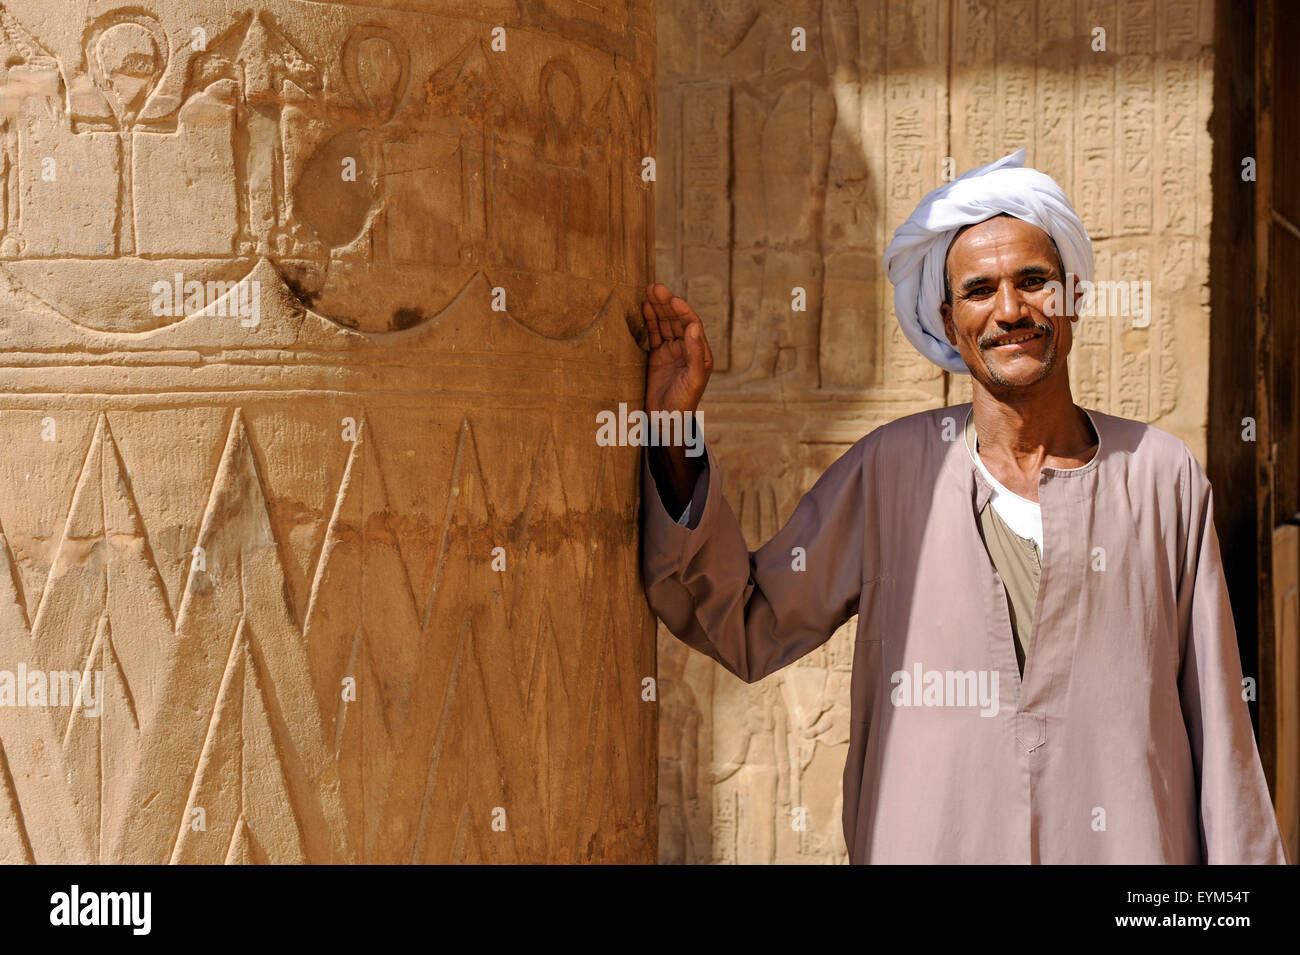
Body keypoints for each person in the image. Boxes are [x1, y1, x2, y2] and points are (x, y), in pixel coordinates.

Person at [640, 150, 1286, 864]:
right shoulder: (888, 473)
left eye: (1033, 282)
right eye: (980, 290)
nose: (1011, 310)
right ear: (949, 323)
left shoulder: (1161, 479)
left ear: (1070, 297)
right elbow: (747, 619)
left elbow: (1222, 732)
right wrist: (673, 430)